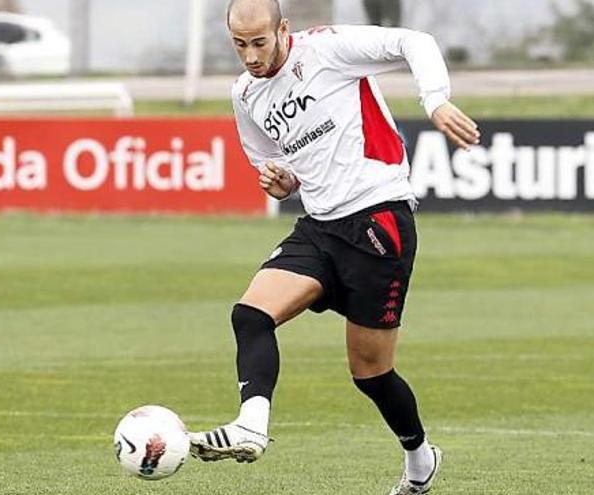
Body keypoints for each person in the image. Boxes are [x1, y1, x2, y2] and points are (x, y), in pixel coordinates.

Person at [188, 1, 480, 494]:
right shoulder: (245, 94)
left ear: (283, 30)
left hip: (378, 218)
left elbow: (414, 42)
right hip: (320, 227)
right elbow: (275, 163)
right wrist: (282, 182)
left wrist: (435, 100)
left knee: (370, 373)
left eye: (260, 42)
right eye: (240, 45)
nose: (252, 56)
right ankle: (250, 426)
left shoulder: (327, 50)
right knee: (250, 316)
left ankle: (419, 458)